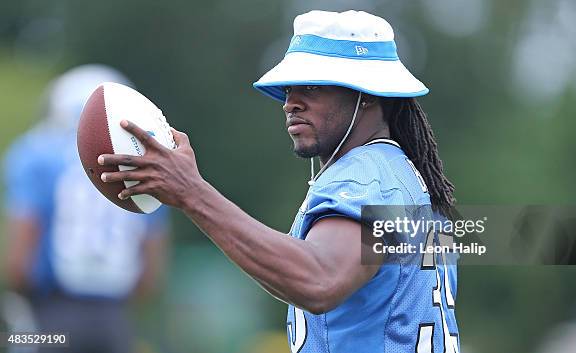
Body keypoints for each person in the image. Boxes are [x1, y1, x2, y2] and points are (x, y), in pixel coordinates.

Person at [97, 10, 459, 353]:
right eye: (289, 89)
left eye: (312, 87)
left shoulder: (364, 175)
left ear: (366, 94)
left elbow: (319, 281)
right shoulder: (403, 175)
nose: (291, 103)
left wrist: (193, 193)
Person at [2, 64, 170, 353]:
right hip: (115, 320)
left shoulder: (34, 153)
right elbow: (151, 270)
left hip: (50, 314)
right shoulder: (146, 162)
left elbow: (20, 262)